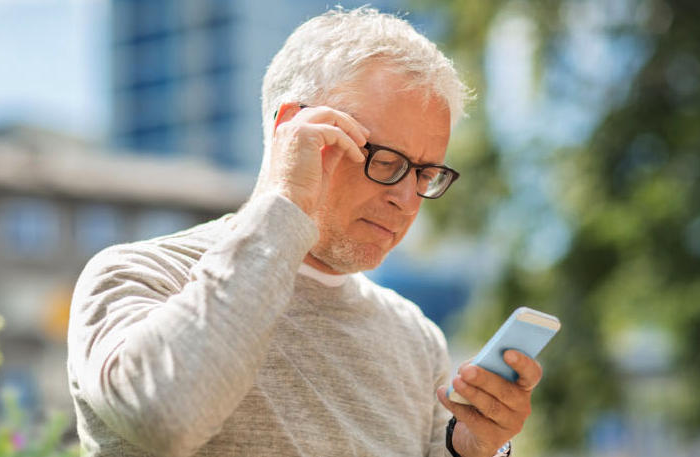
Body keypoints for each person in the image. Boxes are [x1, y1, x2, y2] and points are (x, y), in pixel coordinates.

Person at [67, 7, 544, 457]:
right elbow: (165, 415)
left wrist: (472, 449)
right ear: (292, 130)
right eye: (386, 161)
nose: (407, 199)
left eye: (425, 173)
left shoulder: (415, 337)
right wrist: (287, 200)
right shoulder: (137, 274)